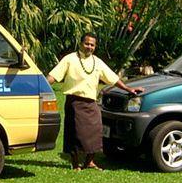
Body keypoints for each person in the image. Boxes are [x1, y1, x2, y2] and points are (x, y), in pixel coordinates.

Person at [47, 33, 142, 171]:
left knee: (96, 132)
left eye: (92, 45)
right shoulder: (70, 59)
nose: (89, 47)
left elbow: (112, 78)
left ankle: (89, 162)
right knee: (75, 134)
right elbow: (53, 76)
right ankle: (75, 164)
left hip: (91, 103)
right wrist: (41, 84)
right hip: (74, 102)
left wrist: (128, 88)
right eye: (87, 44)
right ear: (81, 44)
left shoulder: (97, 62)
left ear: (95, 46)